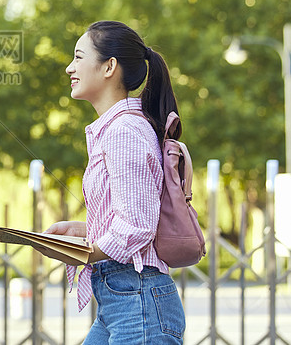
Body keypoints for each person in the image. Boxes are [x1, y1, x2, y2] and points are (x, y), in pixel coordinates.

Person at [43, 20, 186, 343]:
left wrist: (84, 252)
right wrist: (82, 230)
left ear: (109, 67)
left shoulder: (124, 132)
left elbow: (137, 227)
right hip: (123, 301)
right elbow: (131, 214)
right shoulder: (116, 130)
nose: (70, 68)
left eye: (79, 57)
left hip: (139, 305)